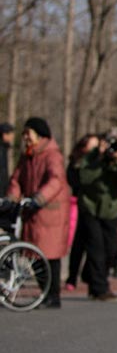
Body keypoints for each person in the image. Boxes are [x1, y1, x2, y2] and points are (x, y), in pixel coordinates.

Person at [6, 117, 71, 308]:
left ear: (39, 134)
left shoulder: (52, 155)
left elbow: (56, 181)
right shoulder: (27, 155)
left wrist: (39, 198)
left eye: (28, 133)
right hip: (32, 213)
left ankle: (53, 295)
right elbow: (17, 180)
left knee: (50, 256)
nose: (25, 137)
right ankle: (45, 292)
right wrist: (11, 198)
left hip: (50, 213)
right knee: (34, 255)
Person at [77, 127, 117, 302]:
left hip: (112, 210)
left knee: (111, 252)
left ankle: (90, 275)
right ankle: (100, 289)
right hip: (91, 207)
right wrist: (99, 158)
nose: (114, 147)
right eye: (110, 142)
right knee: (97, 249)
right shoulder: (94, 155)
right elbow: (84, 177)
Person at [65, 133, 100, 291]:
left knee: (95, 244)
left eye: (96, 146)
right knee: (78, 244)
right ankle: (72, 277)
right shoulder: (76, 163)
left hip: (95, 208)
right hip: (78, 207)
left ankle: (88, 273)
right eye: (91, 146)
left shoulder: (99, 161)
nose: (93, 149)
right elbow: (73, 181)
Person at [0, 122, 14, 194]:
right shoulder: (1, 149)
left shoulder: (4, 148)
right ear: (4, 135)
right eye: (11, 134)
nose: (12, 136)